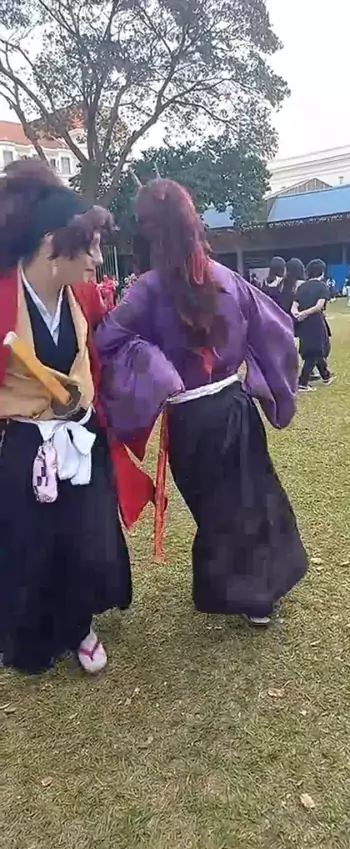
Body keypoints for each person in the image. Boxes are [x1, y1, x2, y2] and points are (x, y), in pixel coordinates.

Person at [95, 179, 307, 627]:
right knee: (251, 496)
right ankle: (258, 591)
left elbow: (106, 339)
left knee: (216, 507)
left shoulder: (146, 290)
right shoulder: (226, 278)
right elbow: (275, 329)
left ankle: (248, 592)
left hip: (191, 417)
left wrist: (153, 365)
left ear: (148, 231)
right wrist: (267, 383)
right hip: (235, 407)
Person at [0, 161, 153, 674]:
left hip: (80, 437)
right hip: (25, 443)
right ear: (52, 244)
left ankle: (81, 625)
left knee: (86, 536)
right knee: (31, 545)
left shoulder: (82, 296)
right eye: (88, 248)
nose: (97, 260)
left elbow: (97, 357)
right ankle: (34, 634)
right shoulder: (2, 298)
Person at [292, 258, 334, 391]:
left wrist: (297, 314)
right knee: (315, 351)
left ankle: (326, 375)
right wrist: (305, 313)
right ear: (322, 272)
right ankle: (303, 382)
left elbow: (294, 305)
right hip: (315, 321)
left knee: (314, 349)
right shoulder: (322, 286)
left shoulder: (301, 287)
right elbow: (319, 306)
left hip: (303, 323)